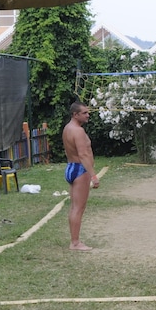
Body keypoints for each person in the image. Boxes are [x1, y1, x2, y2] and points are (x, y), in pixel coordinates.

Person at [62, 101, 100, 251]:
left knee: (74, 207)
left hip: (71, 167)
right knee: (78, 208)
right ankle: (75, 242)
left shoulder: (68, 128)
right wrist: (93, 176)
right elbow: (83, 154)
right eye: (84, 113)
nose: (88, 115)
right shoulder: (78, 131)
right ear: (75, 114)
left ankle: (74, 240)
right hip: (80, 170)